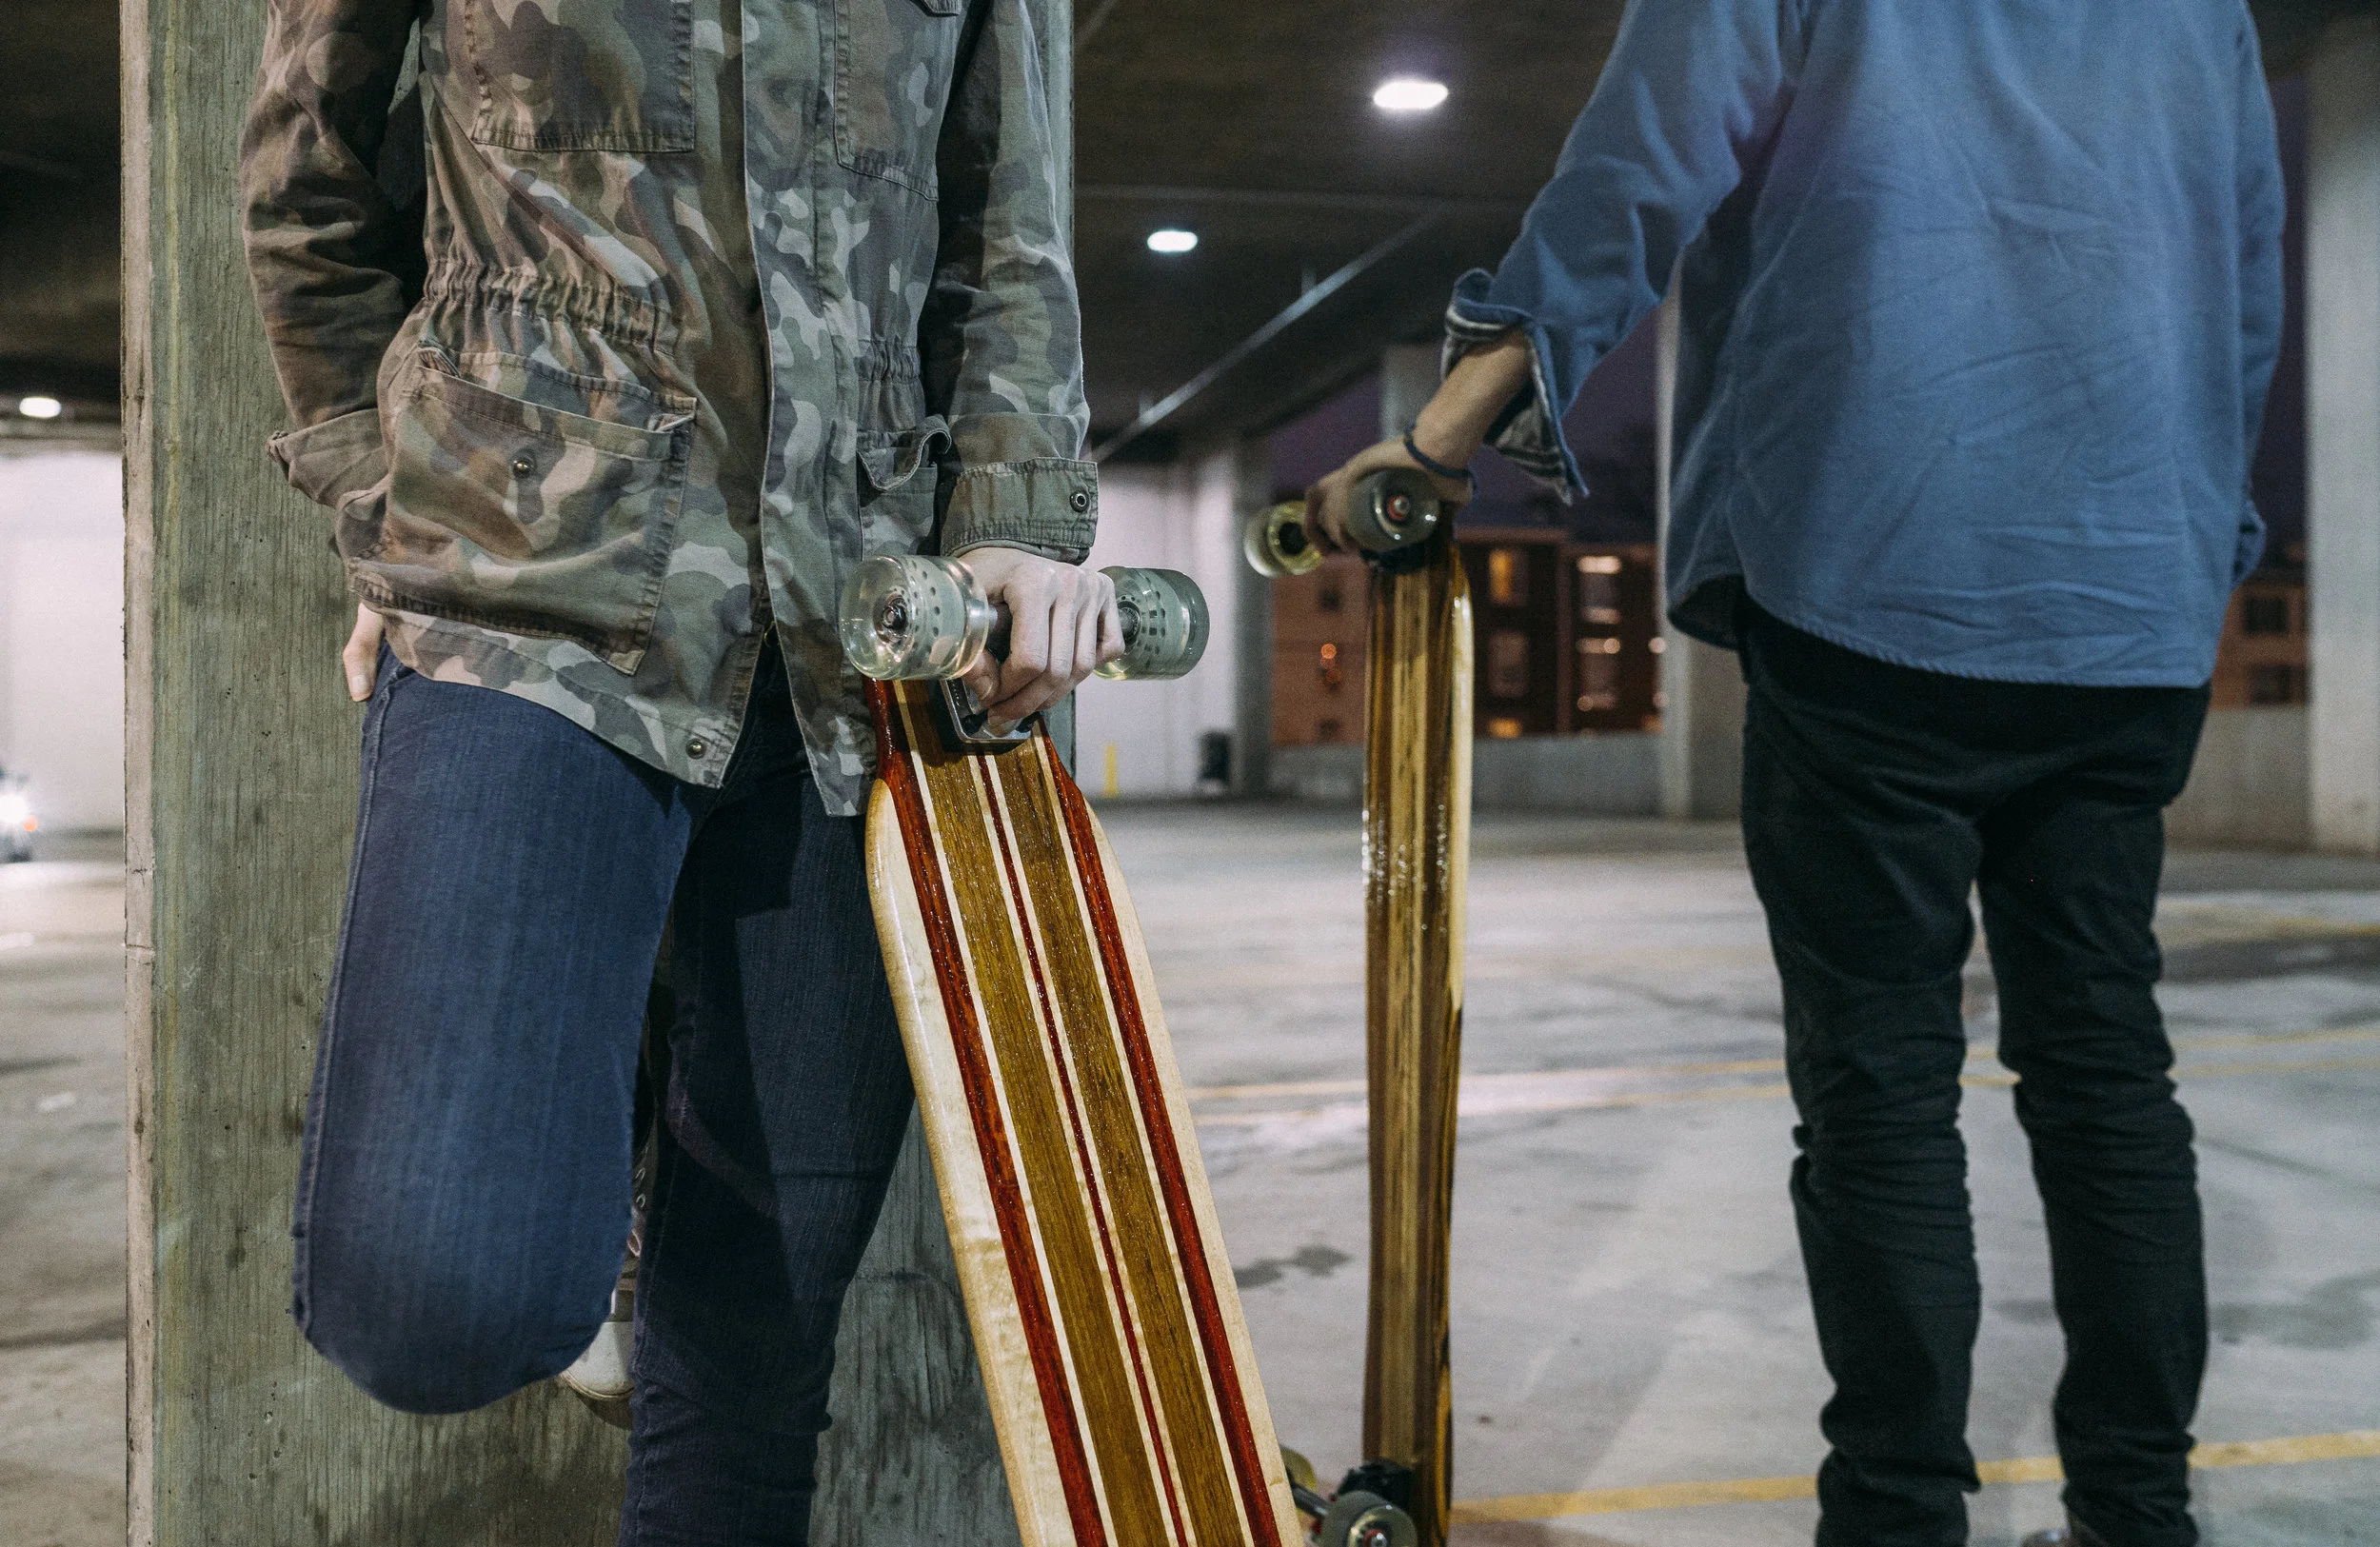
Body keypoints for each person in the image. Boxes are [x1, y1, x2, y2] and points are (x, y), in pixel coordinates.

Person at [1307, 5, 2283, 1546]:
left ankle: (1896, 1519)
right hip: (2123, 606)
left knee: (1882, 1089)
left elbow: (1635, 174)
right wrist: (2194, 544)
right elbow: (2242, 278)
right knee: (2107, 1080)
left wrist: (1433, 440)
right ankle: (2138, 1520)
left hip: (1875, 568)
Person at [240, 1, 1115, 1540]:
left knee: (757, 1360)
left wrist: (1017, 524)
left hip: (863, 630)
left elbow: (1011, 213)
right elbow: (304, 177)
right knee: (437, 1296)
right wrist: (385, 488)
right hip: (539, 584)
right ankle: (615, 1152)